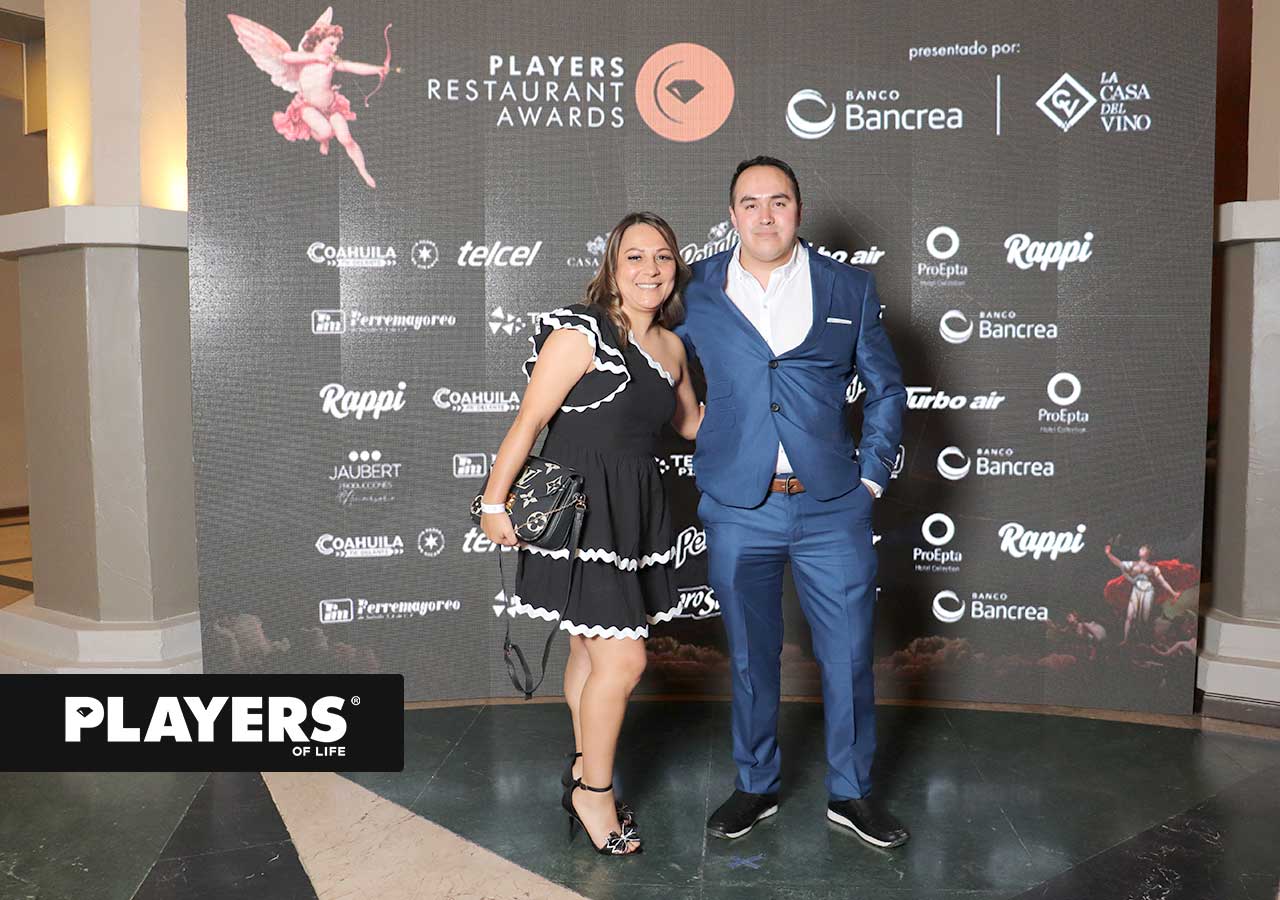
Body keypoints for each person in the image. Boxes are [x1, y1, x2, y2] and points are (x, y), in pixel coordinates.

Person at [677, 156, 909, 848]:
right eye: (750, 203)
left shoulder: (849, 286)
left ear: (798, 210)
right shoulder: (695, 289)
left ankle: (852, 793)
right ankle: (755, 784)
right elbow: (653, 360)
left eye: (778, 201)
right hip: (738, 506)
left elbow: (886, 387)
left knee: (849, 656)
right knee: (751, 657)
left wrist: (871, 478)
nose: (765, 215)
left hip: (832, 505)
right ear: (731, 215)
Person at [480, 213, 702, 856]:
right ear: (612, 266)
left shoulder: (672, 348)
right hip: (581, 513)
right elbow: (530, 420)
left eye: (662, 257)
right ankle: (595, 795)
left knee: (589, 652)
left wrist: (779, 413)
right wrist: (493, 502)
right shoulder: (582, 332)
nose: (650, 269)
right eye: (635, 256)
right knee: (623, 660)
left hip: (634, 511)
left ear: (675, 268)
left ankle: (582, 768)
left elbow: (693, 425)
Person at [1103, 542, 1180, 645]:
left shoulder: (1153, 568)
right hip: (1136, 590)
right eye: (1141, 549)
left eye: (1143, 549)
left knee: (1143, 618)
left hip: (1148, 591)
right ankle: (1126, 639)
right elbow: (1119, 564)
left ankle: (1142, 639)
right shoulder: (1133, 564)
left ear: (1148, 553)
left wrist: (1173, 593)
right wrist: (1109, 554)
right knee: (1130, 616)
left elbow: (1163, 582)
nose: (1140, 550)